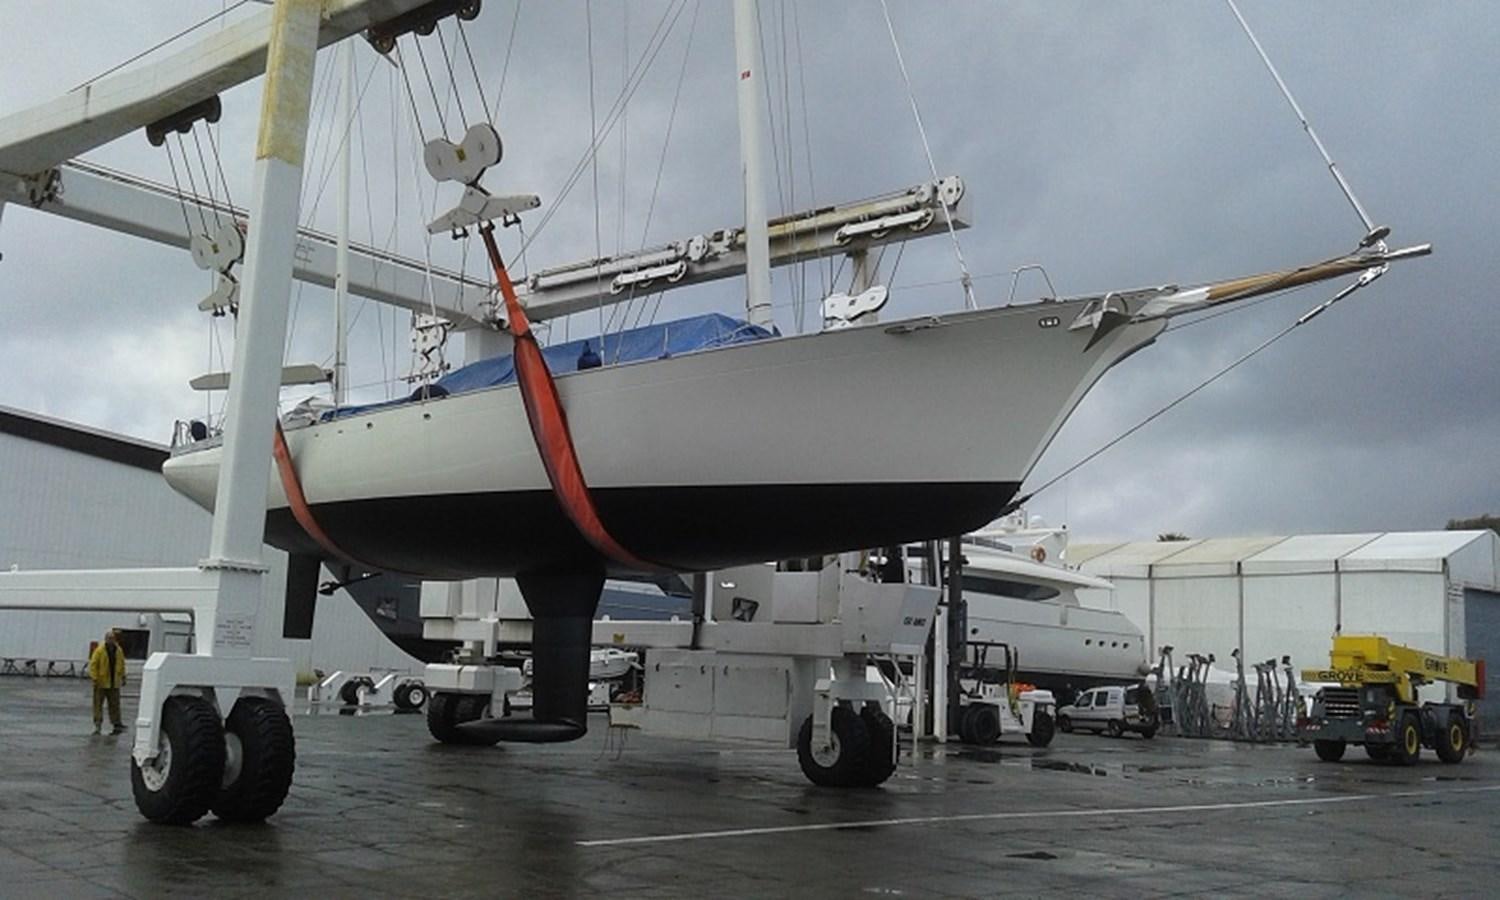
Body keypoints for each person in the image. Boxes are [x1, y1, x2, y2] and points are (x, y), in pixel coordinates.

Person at [88, 630, 126, 735]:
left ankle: (116, 723)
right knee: (98, 704)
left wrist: (123, 676)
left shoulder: (118, 650)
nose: (111, 640)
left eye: (112, 638)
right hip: (101, 682)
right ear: (105, 639)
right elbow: (93, 665)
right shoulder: (100, 650)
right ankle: (98, 724)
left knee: (115, 704)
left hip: (114, 682)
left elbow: (122, 664)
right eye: (109, 638)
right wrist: (95, 678)